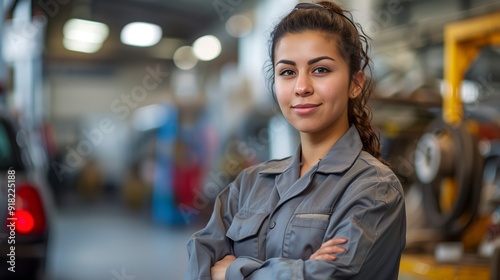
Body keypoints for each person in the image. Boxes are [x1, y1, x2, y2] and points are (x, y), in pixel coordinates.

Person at [185, 1, 406, 279]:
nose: (302, 87)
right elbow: (199, 258)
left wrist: (231, 271)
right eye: (288, 72)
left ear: (355, 83)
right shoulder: (249, 185)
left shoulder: (373, 189)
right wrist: (302, 270)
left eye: (320, 70)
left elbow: (333, 275)